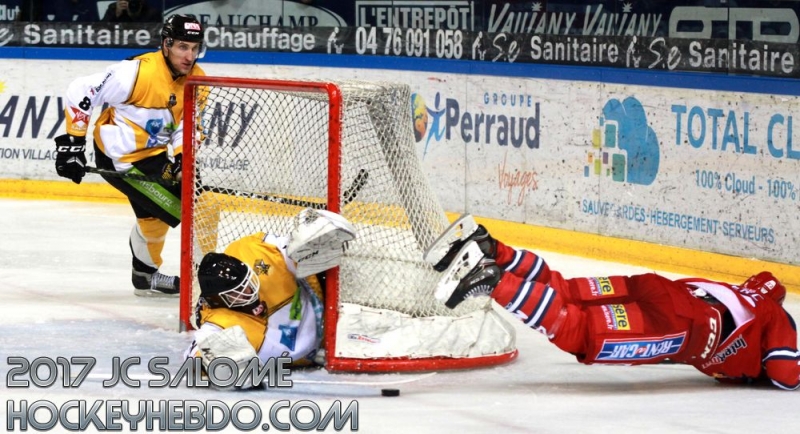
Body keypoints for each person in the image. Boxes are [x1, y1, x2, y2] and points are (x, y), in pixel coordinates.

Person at [434, 220, 800, 390]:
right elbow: (786, 373)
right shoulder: (777, 317)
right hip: (680, 324)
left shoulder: (743, 292)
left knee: (564, 287)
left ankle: (491, 248)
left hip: (655, 288)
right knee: (583, 331)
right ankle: (495, 281)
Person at [54, 14, 206, 297]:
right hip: (119, 156)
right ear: (167, 44)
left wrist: (184, 159)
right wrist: (72, 145)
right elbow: (81, 89)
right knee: (190, 205)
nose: (190, 55)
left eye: (195, 48)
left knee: (156, 216)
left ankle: (144, 274)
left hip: (155, 154)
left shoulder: (197, 80)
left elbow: (186, 124)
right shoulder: (136, 73)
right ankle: (199, 283)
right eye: (183, 47)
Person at [184, 208, 356, 387]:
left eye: (248, 284)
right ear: (220, 301)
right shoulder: (221, 322)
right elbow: (195, 354)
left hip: (318, 313)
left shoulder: (250, 253)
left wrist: (307, 236)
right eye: (237, 294)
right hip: (306, 352)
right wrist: (218, 364)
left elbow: (285, 247)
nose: (250, 292)